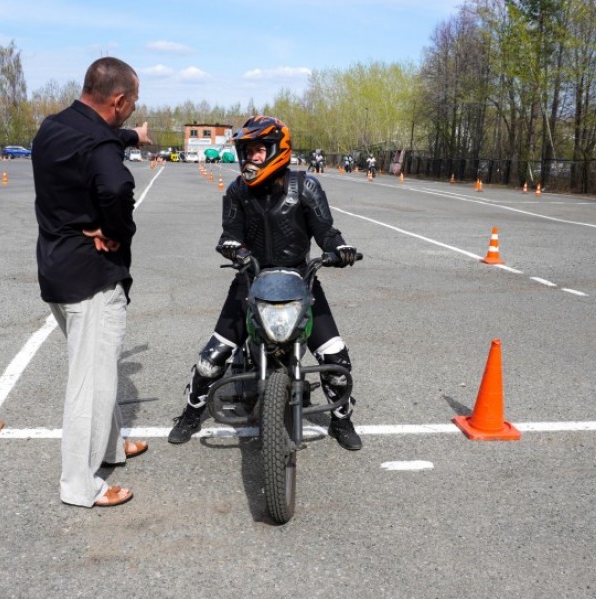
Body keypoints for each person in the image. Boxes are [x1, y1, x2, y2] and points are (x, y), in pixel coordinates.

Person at [168, 115, 363, 450]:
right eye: (247, 151)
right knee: (212, 358)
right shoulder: (237, 191)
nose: (251, 158)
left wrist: (338, 249)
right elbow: (229, 234)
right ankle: (190, 411)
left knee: (336, 358)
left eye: (259, 150)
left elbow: (327, 232)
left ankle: (341, 419)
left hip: (301, 281)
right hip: (250, 281)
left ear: (279, 150)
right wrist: (235, 249)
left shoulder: (306, 187)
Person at [32, 57, 153, 508]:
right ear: (119, 100)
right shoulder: (101, 150)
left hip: (55, 269)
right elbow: (117, 189)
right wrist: (117, 231)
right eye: (133, 103)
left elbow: (103, 137)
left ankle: (110, 447)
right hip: (92, 278)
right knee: (92, 381)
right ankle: (79, 486)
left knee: (97, 368)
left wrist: (133, 137)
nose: (132, 109)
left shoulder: (53, 128)